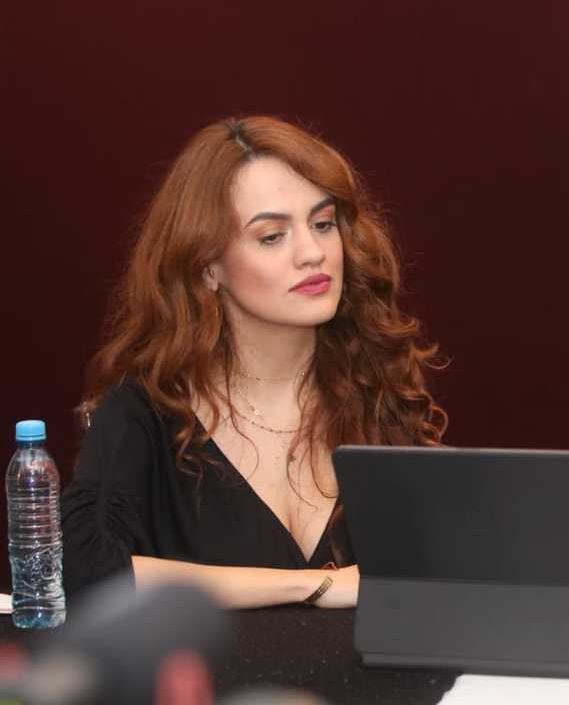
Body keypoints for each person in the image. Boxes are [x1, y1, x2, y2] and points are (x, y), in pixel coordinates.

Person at [63, 116, 446, 608]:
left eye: (323, 224)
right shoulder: (145, 413)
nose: (312, 253)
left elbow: (446, 575)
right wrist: (315, 586)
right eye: (272, 236)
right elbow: (79, 569)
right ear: (208, 268)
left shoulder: (376, 389)